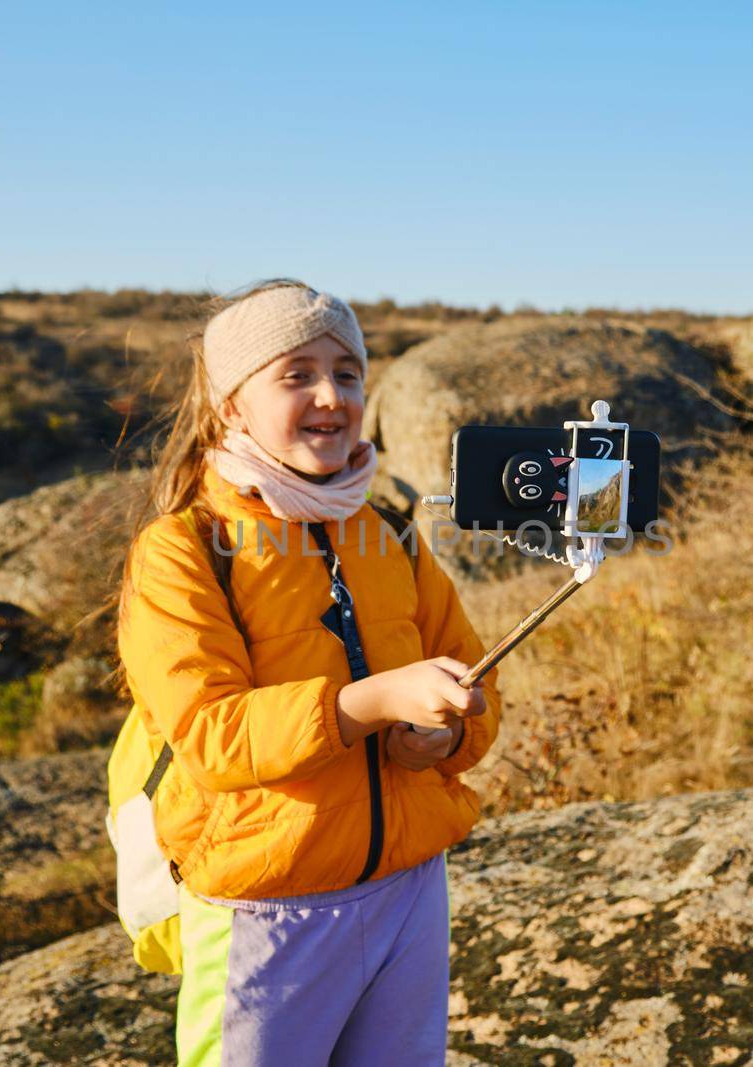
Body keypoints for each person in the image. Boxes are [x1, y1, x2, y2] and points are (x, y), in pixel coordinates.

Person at [113, 279, 502, 1066]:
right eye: (296, 374)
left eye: (349, 372)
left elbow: (476, 690)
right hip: (265, 904)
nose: (332, 395)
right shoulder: (183, 549)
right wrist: (372, 700)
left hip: (409, 889)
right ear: (232, 405)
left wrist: (442, 736)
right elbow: (210, 736)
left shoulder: (392, 534)